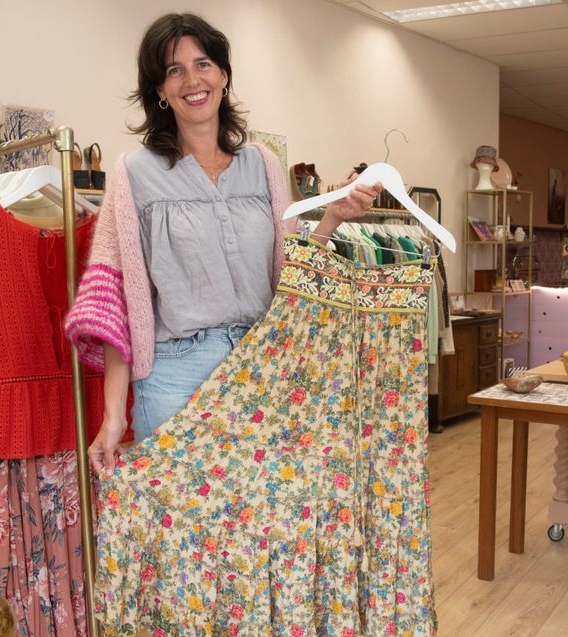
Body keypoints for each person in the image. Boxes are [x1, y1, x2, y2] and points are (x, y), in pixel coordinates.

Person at [65, 13, 380, 476]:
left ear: (224, 76)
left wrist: (332, 217)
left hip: (264, 367)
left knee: (262, 530)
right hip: (176, 375)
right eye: (174, 70)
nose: (192, 80)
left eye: (203, 64)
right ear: (159, 89)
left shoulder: (264, 166)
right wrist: (113, 418)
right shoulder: (134, 173)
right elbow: (115, 306)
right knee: (184, 535)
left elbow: (289, 280)